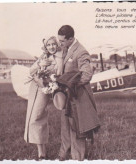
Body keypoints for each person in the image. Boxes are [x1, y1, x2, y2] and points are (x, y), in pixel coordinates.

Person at [57, 25, 100, 160]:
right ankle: (64, 154)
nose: (60, 44)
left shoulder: (81, 51)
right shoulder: (66, 49)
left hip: (76, 97)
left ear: (71, 39)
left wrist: (70, 85)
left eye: (62, 41)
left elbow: (87, 74)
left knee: (77, 128)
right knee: (65, 126)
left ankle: (78, 157)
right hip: (66, 97)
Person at [24, 36, 63, 160]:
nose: (51, 47)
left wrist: (47, 81)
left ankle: (42, 153)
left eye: (53, 44)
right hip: (35, 89)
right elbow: (31, 71)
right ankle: (41, 152)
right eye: (49, 45)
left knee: (36, 117)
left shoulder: (60, 58)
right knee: (34, 117)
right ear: (45, 47)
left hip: (45, 89)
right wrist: (39, 65)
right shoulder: (43, 57)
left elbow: (58, 75)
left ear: (57, 45)